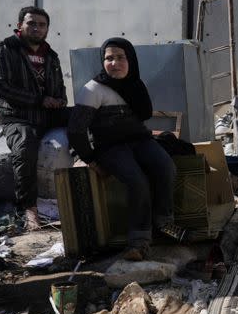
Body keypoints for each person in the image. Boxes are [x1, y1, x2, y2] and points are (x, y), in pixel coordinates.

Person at [67, 37, 185, 261]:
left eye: (120, 57)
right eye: (109, 58)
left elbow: (144, 114)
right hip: (110, 147)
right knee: (136, 180)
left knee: (165, 167)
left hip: (140, 141)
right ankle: (139, 242)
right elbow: (75, 130)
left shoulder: (135, 85)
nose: (114, 63)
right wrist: (91, 159)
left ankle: (163, 223)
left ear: (130, 60)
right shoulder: (93, 89)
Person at [0, 6, 68, 229]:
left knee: (85, 117)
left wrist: (59, 100)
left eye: (42, 25)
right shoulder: (4, 48)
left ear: (47, 29)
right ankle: (30, 210)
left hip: (48, 113)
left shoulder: (50, 55)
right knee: (24, 146)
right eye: (31, 23)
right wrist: (39, 100)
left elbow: (60, 87)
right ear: (20, 25)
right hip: (18, 116)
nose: (37, 28)